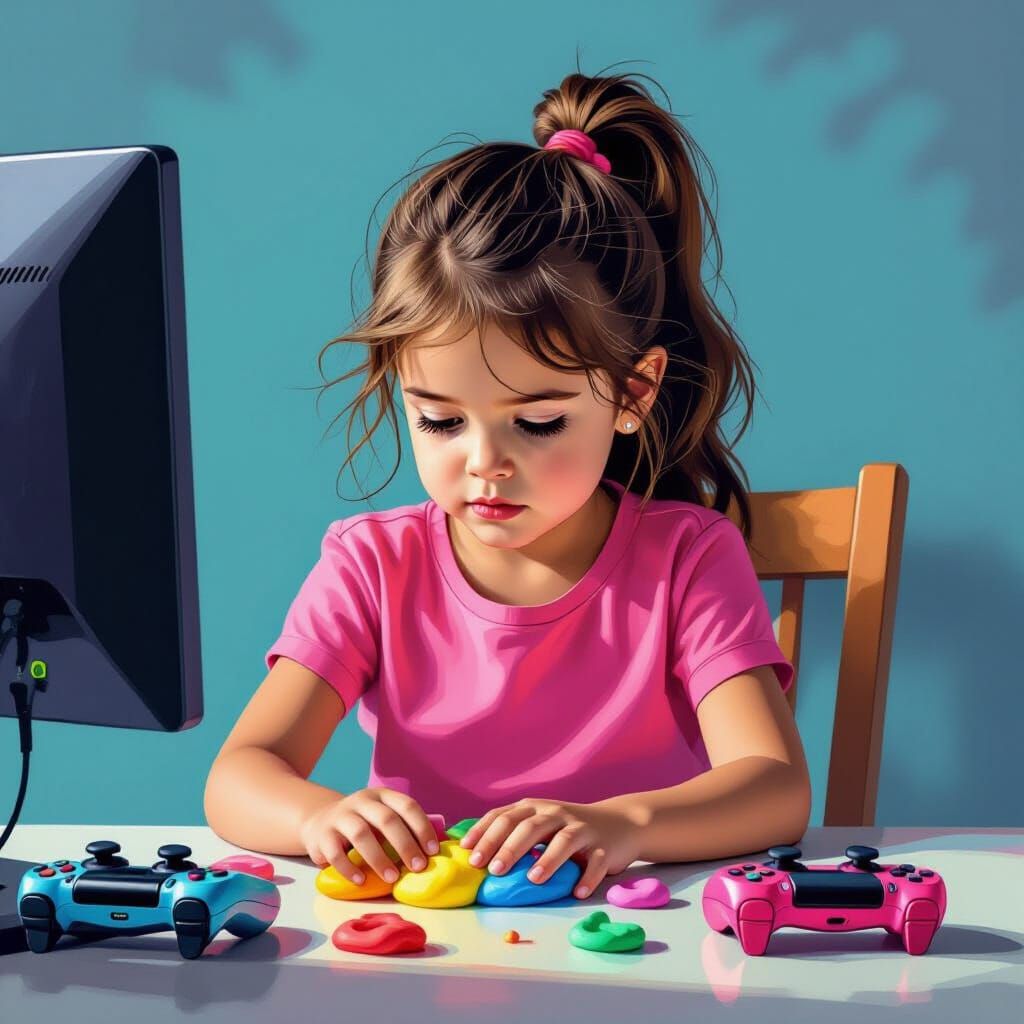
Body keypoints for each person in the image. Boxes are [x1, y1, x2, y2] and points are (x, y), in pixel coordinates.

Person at [204, 68, 811, 903]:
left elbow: (775, 787)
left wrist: (626, 825)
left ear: (632, 394)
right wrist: (319, 818)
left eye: (538, 423)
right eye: (441, 421)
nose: (484, 464)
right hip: (438, 954)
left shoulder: (689, 558)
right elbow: (240, 773)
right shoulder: (372, 565)